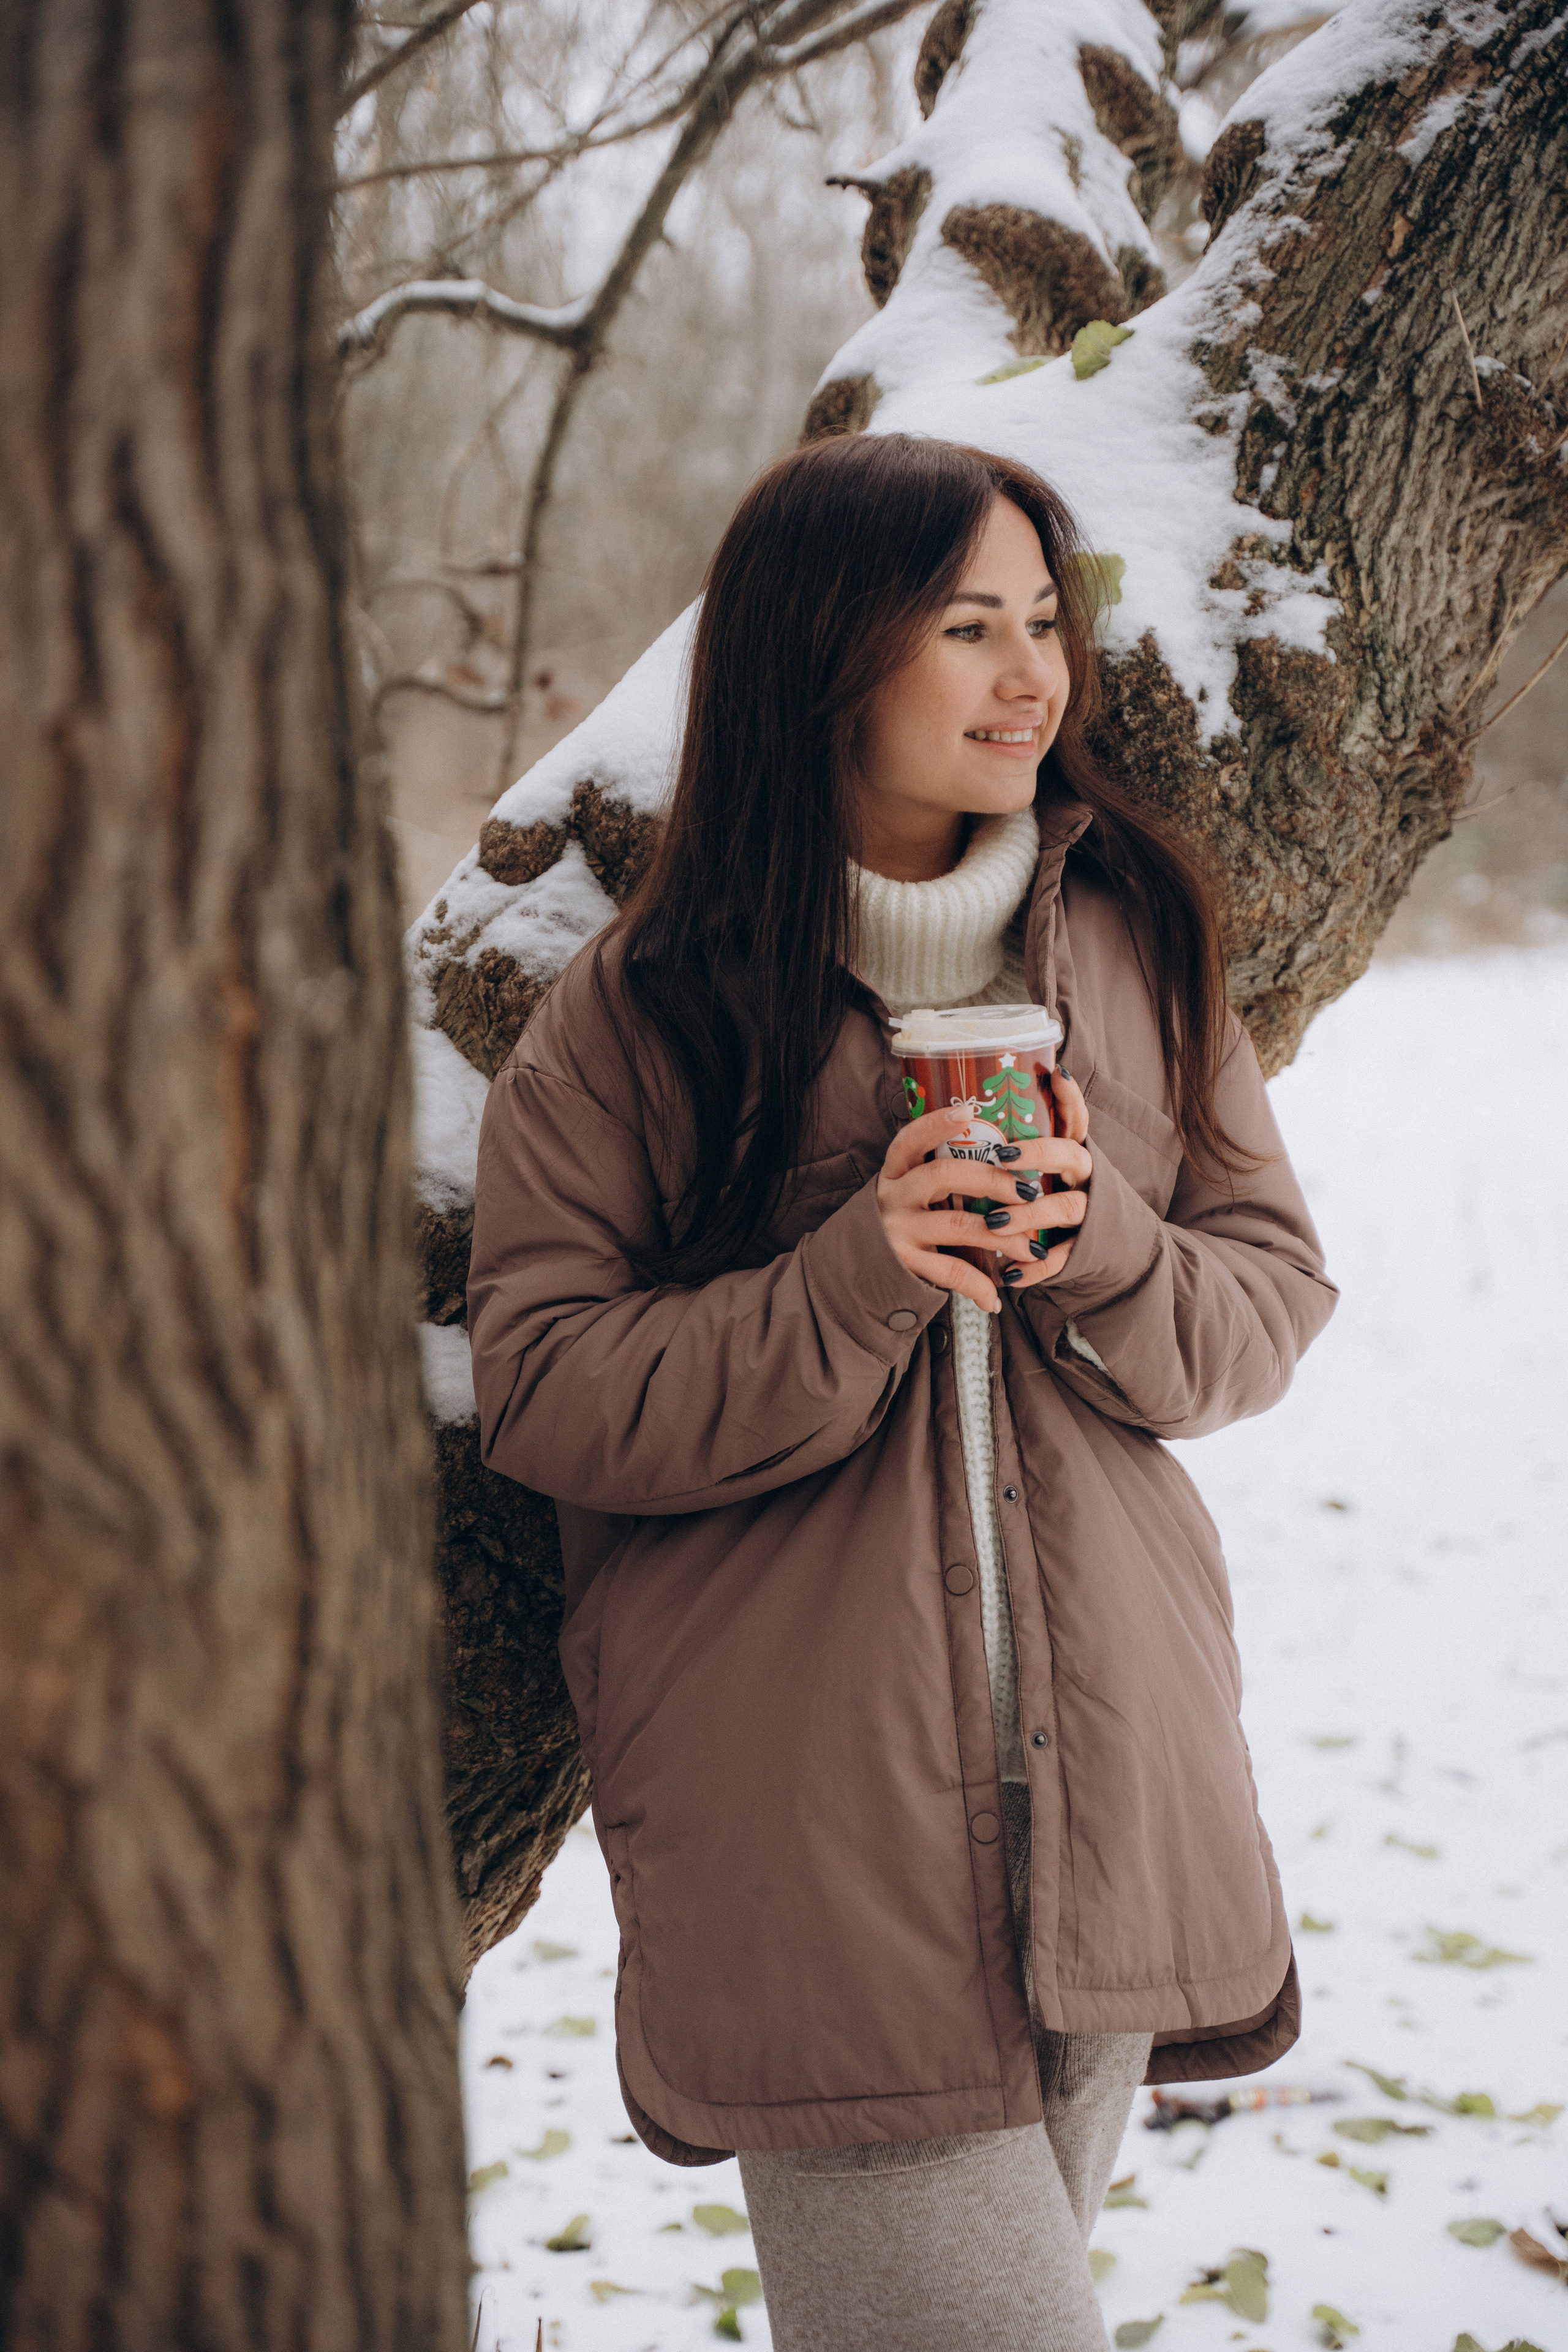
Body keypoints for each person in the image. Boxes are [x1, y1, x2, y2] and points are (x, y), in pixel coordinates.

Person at [467, 433, 1338, 2350]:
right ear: (826, 655)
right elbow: (543, 1386)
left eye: (1047, 624)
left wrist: (1104, 1237)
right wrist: (855, 1276)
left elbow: (1268, 1304)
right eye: (971, 628)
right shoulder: (650, 1008)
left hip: (1119, 1807)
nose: (1038, 677)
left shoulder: (1140, 947)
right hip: (820, 1848)